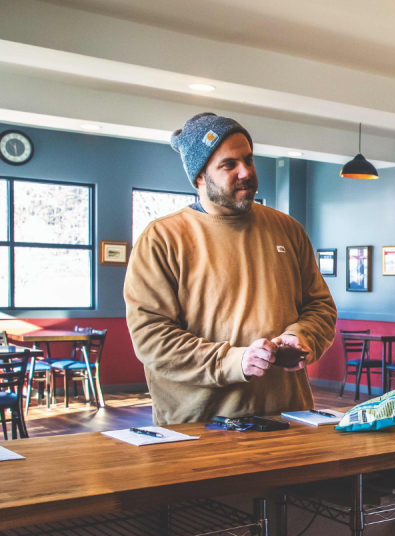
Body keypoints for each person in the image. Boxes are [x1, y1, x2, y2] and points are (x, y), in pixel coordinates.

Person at [125, 113, 337, 424]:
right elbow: (152, 338)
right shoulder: (162, 239)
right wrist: (236, 361)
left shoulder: (288, 230)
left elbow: (320, 306)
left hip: (289, 417)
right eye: (229, 165)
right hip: (200, 424)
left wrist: (302, 336)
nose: (246, 172)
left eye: (249, 160)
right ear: (200, 176)